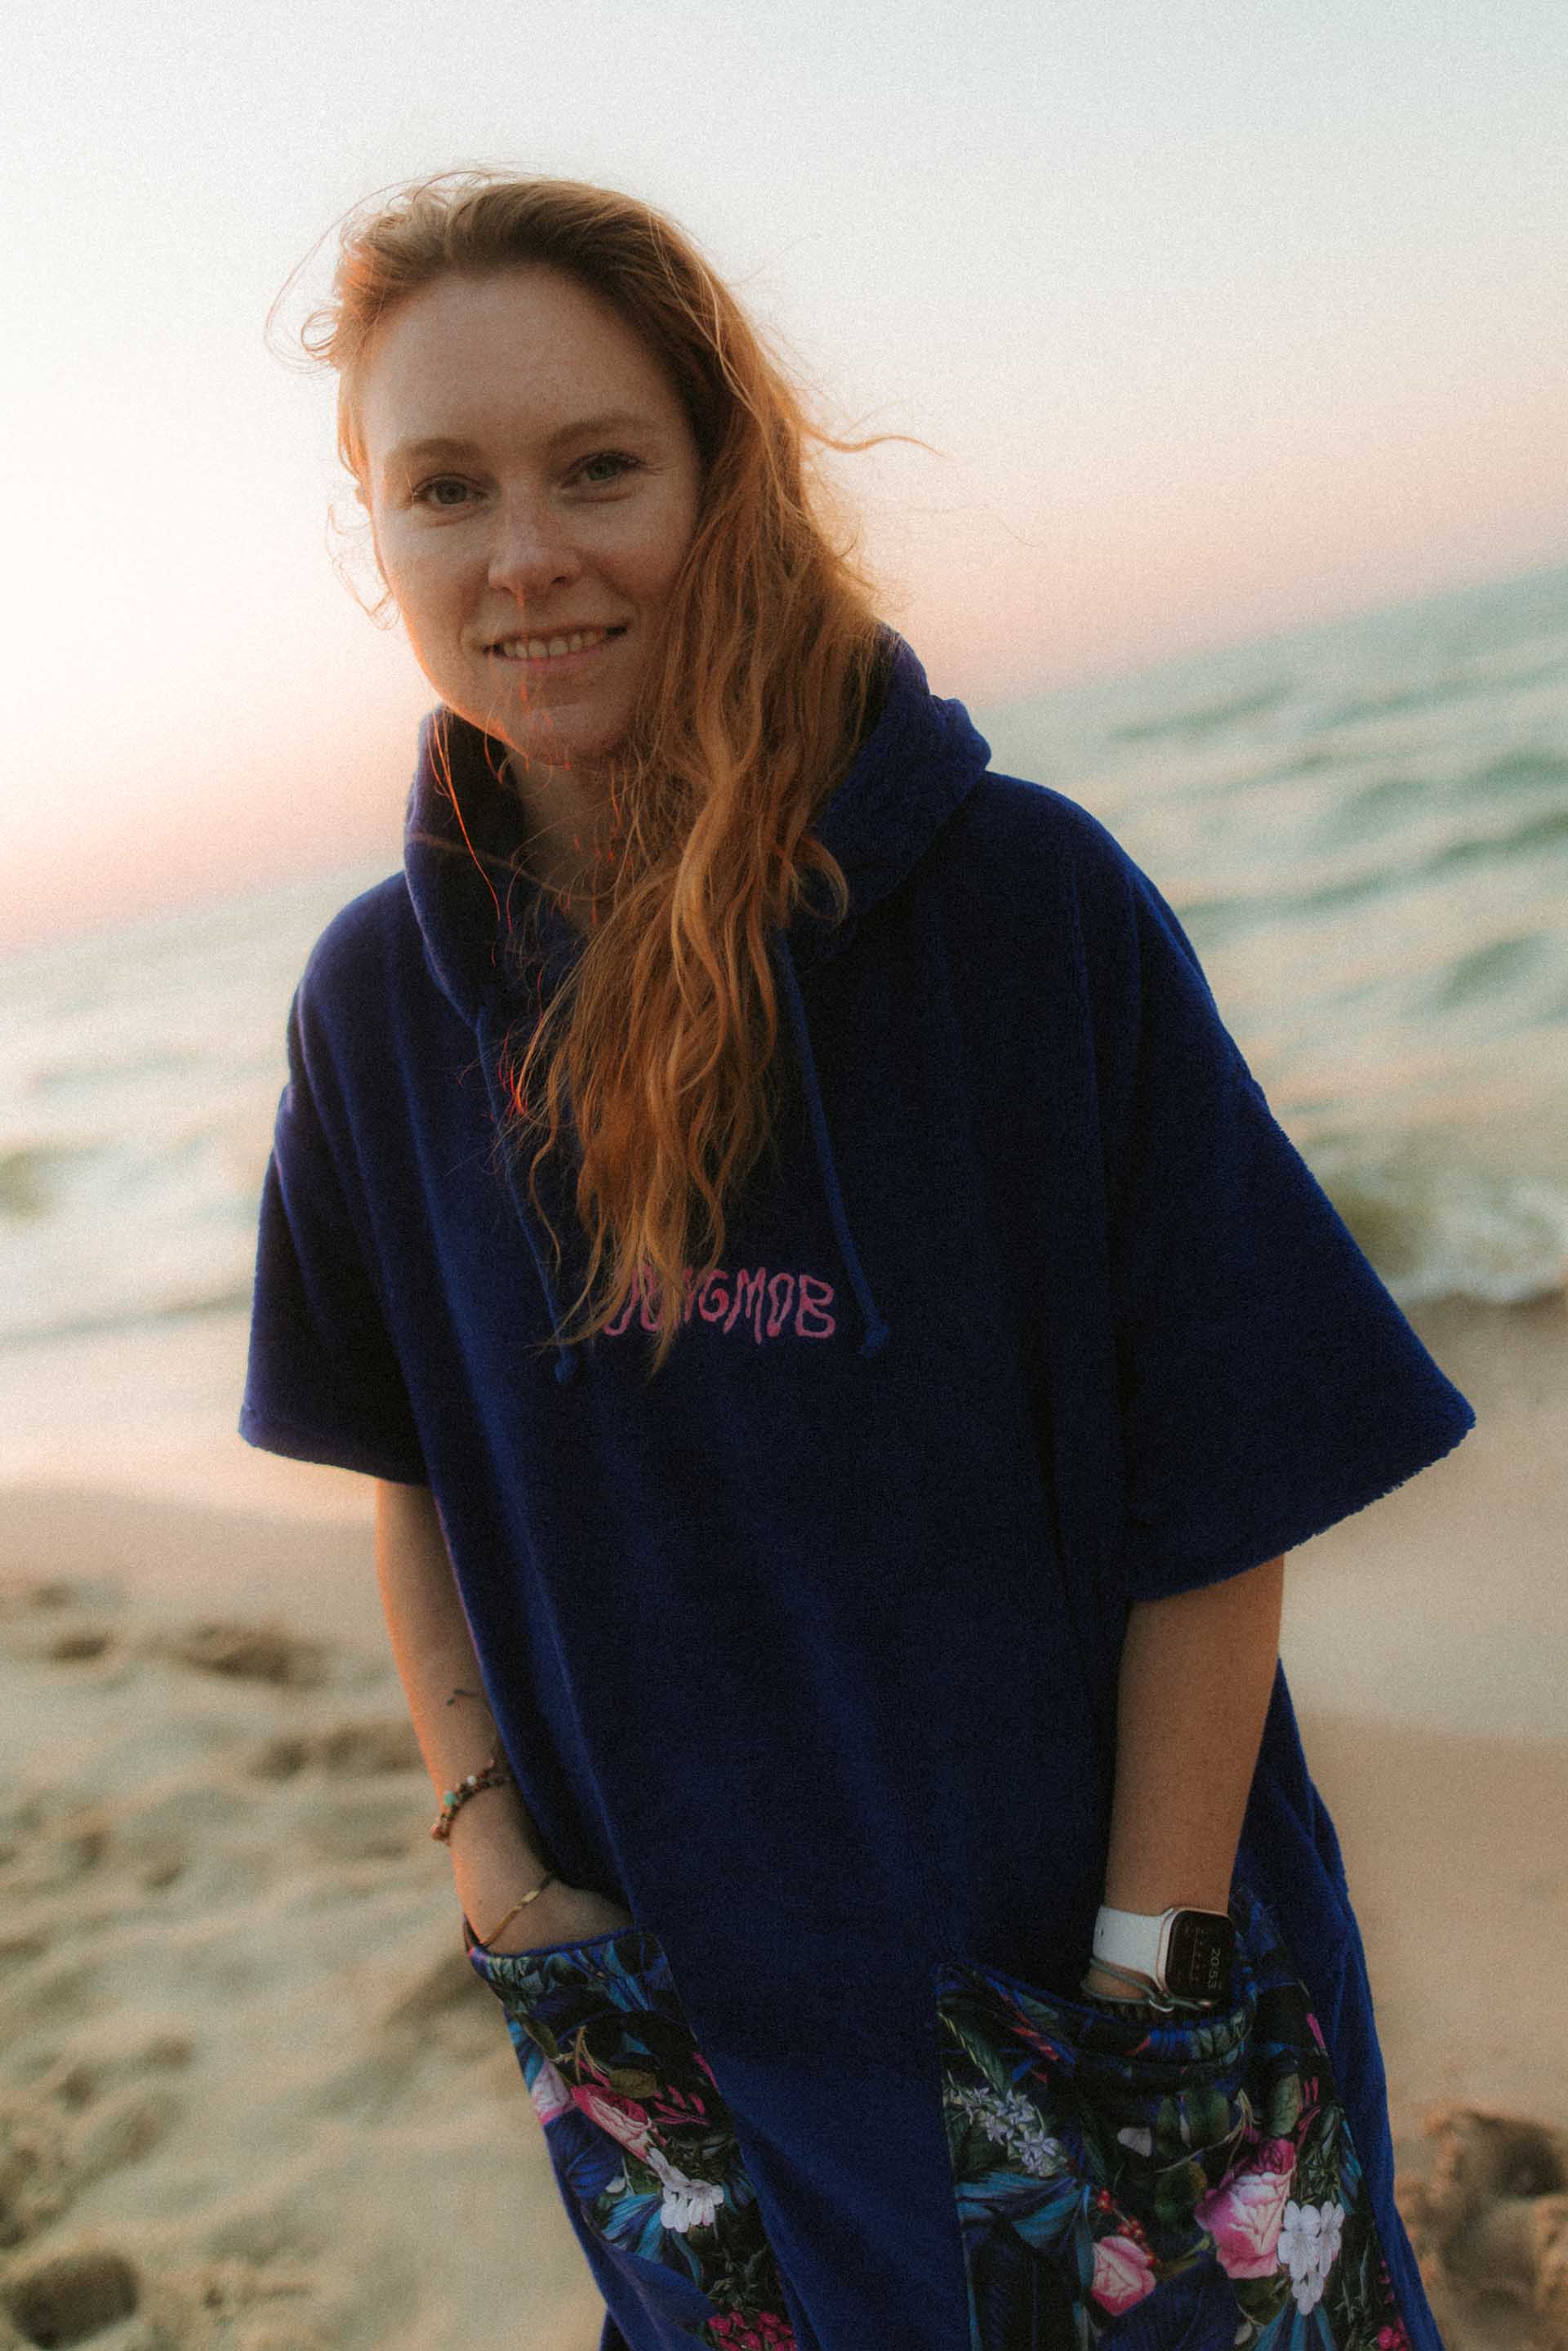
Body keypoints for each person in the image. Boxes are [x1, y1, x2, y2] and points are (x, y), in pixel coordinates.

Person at [241, 169, 1477, 2351]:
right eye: (446, 490)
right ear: (379, 532)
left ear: (724, 479)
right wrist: (489, 1855)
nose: (525, 555)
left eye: (597, 468)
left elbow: (1223, 1479)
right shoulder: (377, 1008)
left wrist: (1155, 1958)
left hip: (1106, 1986)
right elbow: (409, 1466)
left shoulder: (1017, 908)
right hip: (671, 2031)